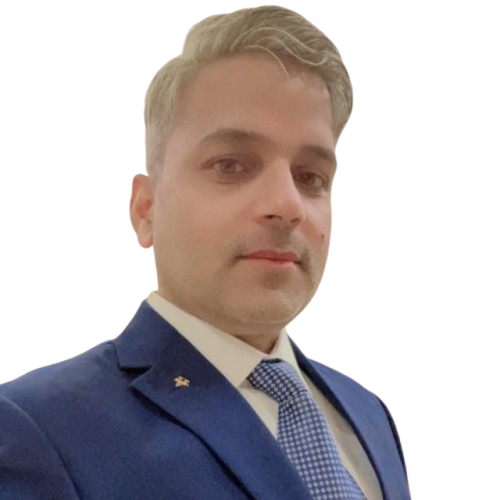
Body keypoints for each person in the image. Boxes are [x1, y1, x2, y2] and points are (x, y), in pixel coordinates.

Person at [0, 5, 410, 499]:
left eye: (310, 176)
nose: (287, 205)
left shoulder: (367, 413)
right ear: (146, 209)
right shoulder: (38, 428)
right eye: (230, 165)